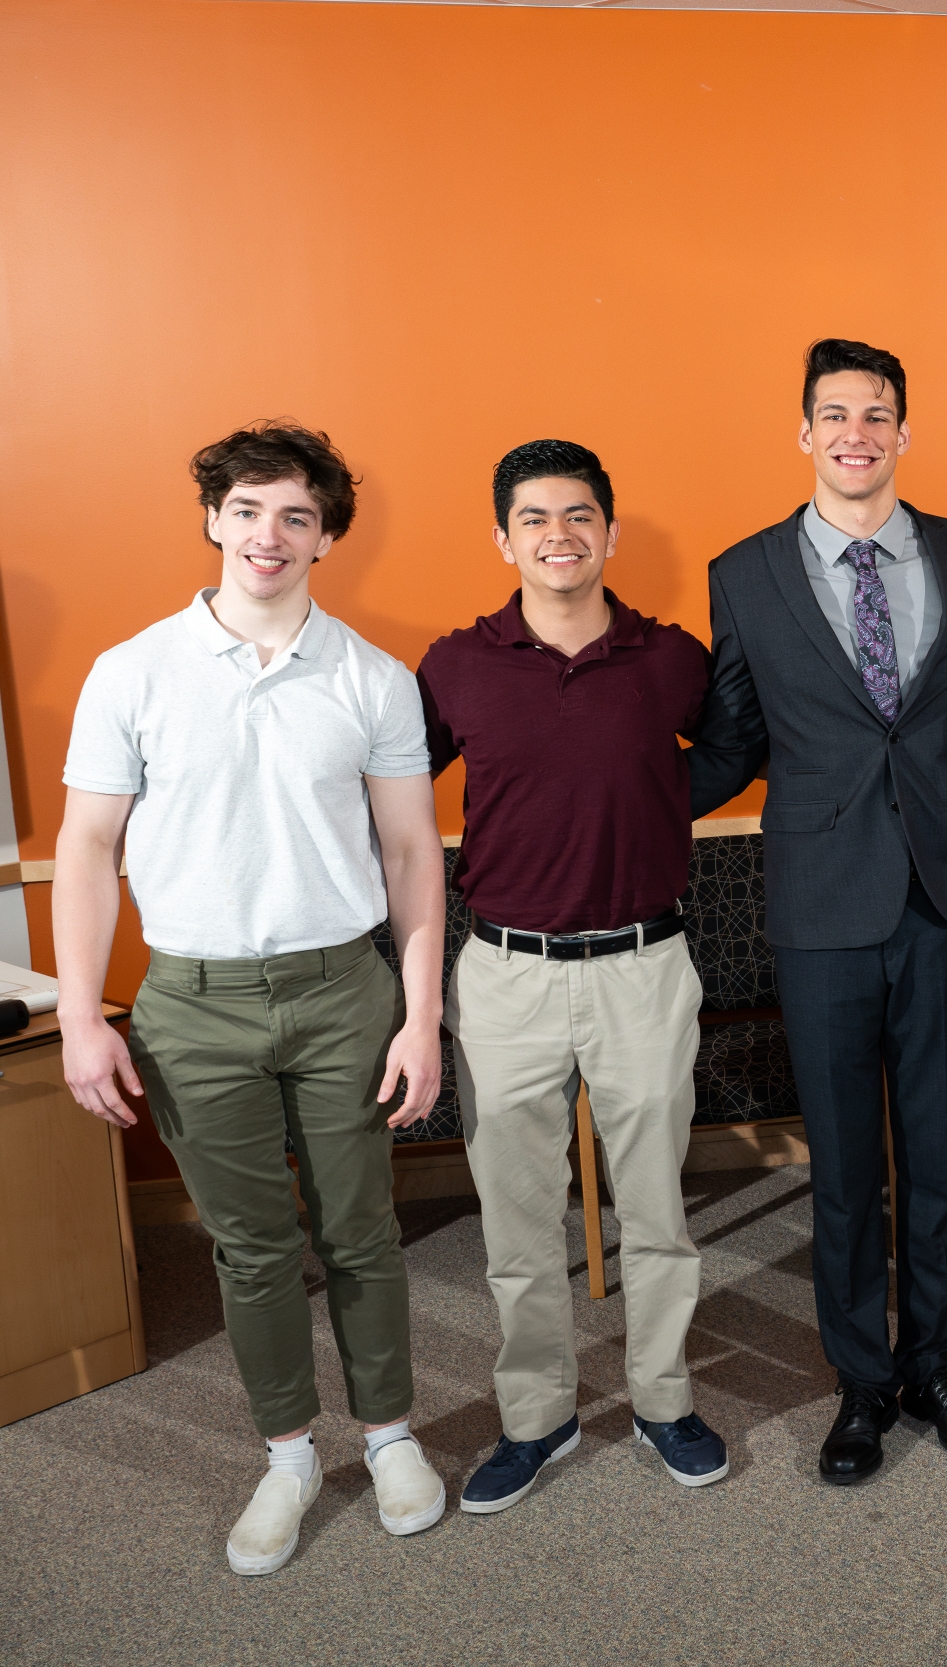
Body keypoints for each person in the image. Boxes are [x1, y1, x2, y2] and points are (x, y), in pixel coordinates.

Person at [56, 423, 448, 1575]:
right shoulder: (131, 671)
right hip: (192, 1003)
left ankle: (389, 1437)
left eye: (294, 515)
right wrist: (86, 1014)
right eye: (246, 510)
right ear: (212, 519)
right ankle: (286, 1453)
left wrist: (421, 1014)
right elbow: (85, 849)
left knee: (363, 1231)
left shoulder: (376, 679)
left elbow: (415, 855)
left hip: (342, 992)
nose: (267, 535)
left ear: (326, 535)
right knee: (250, 1246)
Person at [688, 338, 947, 1485]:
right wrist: (618, 795)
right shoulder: (745, 571)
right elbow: (732, 737)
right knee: (840, 1161)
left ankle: (934, 1359)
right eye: (835, 414)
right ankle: (859, 1380)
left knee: (937, 1145)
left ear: (904, 432)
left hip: (942, 888)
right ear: (804, 430)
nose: (857, 434)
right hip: (821, 897)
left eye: (878, 415)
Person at [418, 440, 723, 1511]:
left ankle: (663, 1398)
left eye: (581, 514)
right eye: (537, 517)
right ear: (504, 538)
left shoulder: (671, 657)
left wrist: (652, 804)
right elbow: (395, 800)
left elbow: (731, 748)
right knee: (516, 1217)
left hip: (643, 964)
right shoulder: (456, 665)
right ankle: (536, 1417)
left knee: (656, 1210)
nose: (560, 533)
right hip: (505, 972)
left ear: (610, 531)